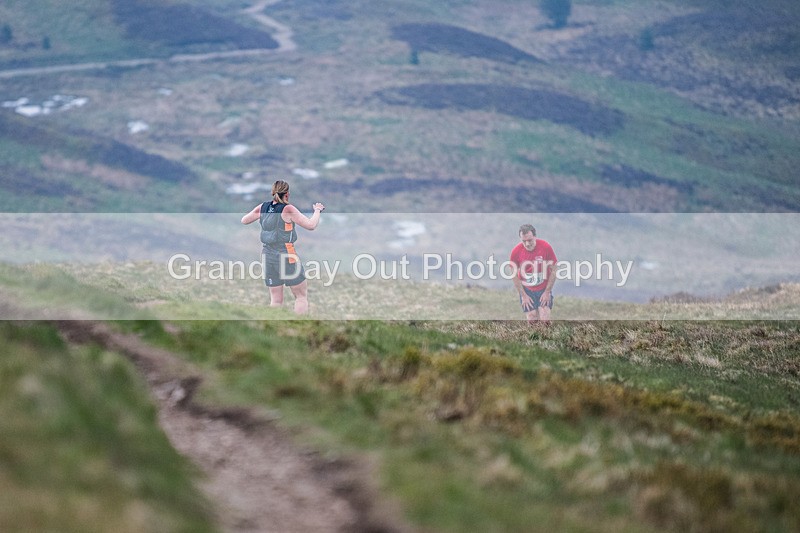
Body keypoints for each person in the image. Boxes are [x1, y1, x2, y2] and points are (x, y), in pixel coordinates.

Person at [241, 180, 325, 314]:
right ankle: (299, 326)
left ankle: (272, 328)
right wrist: (317, 211)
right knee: (301, 297)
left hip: (267, 255)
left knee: (275, 300)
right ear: (287, 194)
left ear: (273, 192)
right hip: (287, 255)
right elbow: (311, 225)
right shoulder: (288, 209)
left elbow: (244, 220)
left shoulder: (263, 207)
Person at [509, 224, 557, 324]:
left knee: (544, 318)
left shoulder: (545, 247)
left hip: (543, 288)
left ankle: (547, 338)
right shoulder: (516, 251)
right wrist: (523, 295)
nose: (527, 244)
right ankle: (533, 338)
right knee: (532, 318)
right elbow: (513, 274)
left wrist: (547, 292)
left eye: (529, 240)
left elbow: (554, 269)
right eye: (523, 241)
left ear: (535, 236)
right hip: (527, 290)